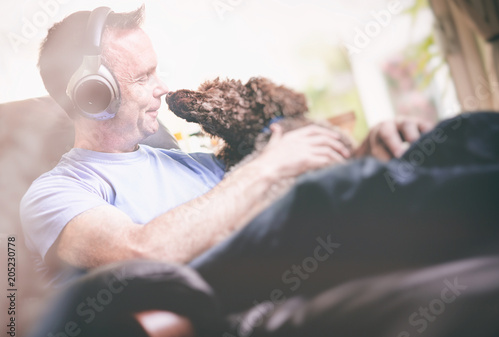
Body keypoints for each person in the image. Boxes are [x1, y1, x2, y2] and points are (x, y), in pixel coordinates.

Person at [20, 5, 431, 286]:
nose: (163, 87)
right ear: (94, 94)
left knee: (465, 139)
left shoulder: (196, 165)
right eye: (143, 77)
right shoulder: (57, 193)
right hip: (268, 310)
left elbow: (297, 203)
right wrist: (267, 164)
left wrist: (368, 157)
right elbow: (141, 251)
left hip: (336, 260)